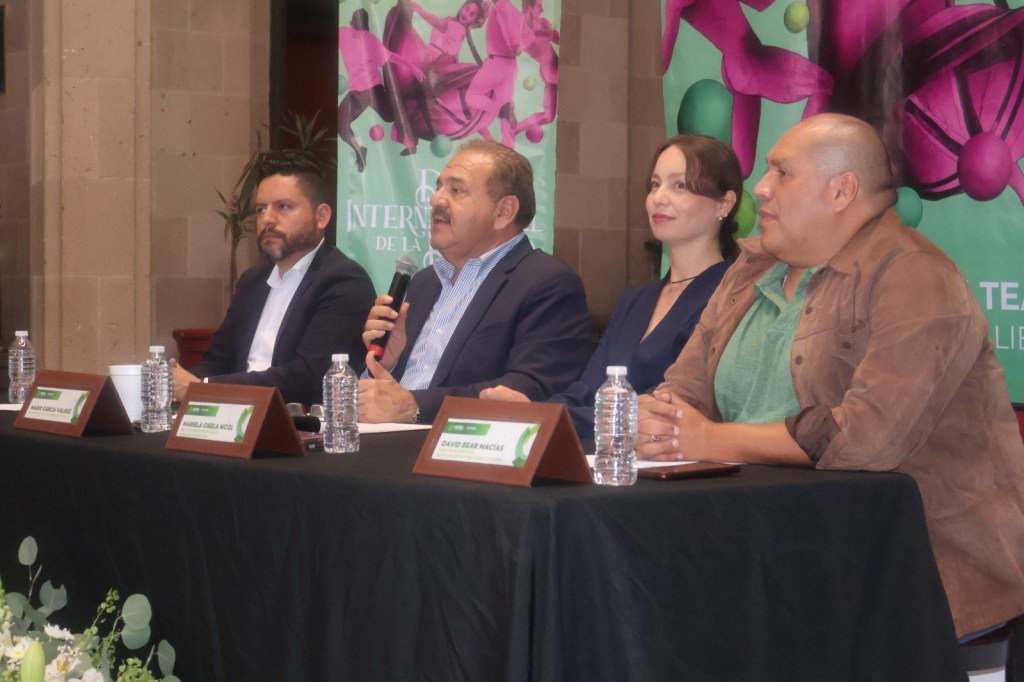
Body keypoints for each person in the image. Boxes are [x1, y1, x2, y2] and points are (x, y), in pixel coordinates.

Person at [637, 113, 1024, 638]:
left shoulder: (916, 275)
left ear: (843, 190)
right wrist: (661, 419)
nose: (761, 189)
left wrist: (708, 438)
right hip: (760, 552)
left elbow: (867, 438)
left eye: (782, 173)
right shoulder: (749, 269)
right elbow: (684, 388)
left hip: (908, 582)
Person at [481, 135, 740, 438]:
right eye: (655, 184)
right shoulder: (635, 300)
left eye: (679, 185)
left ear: (724, 203)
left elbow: (664, 412)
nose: (659, 197)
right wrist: (532, 410)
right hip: (608, 458)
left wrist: (544, 417)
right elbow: (585, 392)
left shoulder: (730, 296)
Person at [359, 139, 590, 424]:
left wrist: (414, 405)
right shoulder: (423, 283)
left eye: (456, 190)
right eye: (438, 186)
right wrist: (389, 363)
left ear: (504, 212)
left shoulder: (548, 284)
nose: (436, 200)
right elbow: (401, 390)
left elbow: (528, 388)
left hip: (463, 453)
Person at [171, 153, 375, 409]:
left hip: (297, 430)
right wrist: (173, 382)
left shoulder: (343, 281)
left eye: (283, 207)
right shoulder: (252, 282)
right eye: (260, 209)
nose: (267, 219)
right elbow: (217, 360)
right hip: (232, 418)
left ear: (321, 216)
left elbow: (310, 377)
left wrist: (201, 388)